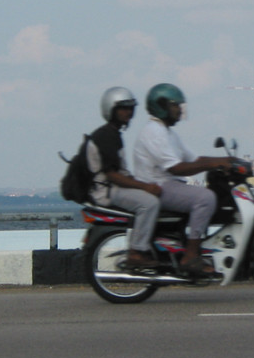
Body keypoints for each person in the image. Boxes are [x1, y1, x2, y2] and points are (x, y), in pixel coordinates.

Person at [133, 83, 235, 276]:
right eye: (175, 106)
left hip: (168, 184)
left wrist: (225, 160)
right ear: (161, 106)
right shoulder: (154, 132)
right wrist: (213, 164)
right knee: (205, 198)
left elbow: (195, 159)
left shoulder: (168, 133)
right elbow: (176, 168)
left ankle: (191, 244)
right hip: (158, 186)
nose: (179, 110)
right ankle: (191, 256)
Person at [88, 87, 162, 269]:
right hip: (106, 191)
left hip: (110, 188)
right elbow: (113, 175)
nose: (128, 112)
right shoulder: (106, 136)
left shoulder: (112, 134)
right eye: (123, 108)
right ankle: (137, 252)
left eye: (130, 108)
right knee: (149, 203)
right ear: (111, 110)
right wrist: (144, 187)